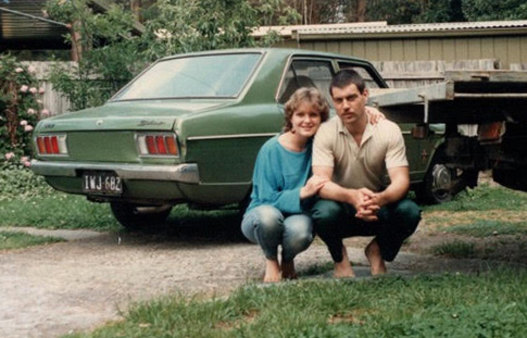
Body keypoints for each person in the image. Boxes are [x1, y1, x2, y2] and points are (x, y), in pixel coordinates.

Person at [311, 69, 421, 278]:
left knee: (409, 212)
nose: (345, 106)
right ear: (333, 102)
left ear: (365, 95)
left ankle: (376, 251)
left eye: (351, 98)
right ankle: (340, 260)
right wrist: (352, 196)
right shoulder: (326, 132)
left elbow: (401, 180)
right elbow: (321, 183)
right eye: (339, 100)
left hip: (375, 204)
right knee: (322, 213)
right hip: (341, 205)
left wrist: (380, 199)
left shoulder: (388, 130)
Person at [241, 87, 330, 282]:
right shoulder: (271, 149)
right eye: (300, 114)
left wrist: (371, 112)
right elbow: (266, 199)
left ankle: (288, 260)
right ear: (290, 118)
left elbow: (345, 124)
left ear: (322, 119)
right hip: (260, 215)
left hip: (296, 216)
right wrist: (302, 192)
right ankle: (271, 260)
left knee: (302, 232)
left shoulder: (319, 147)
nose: (307, 120)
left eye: (313, 115)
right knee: (268, 217)